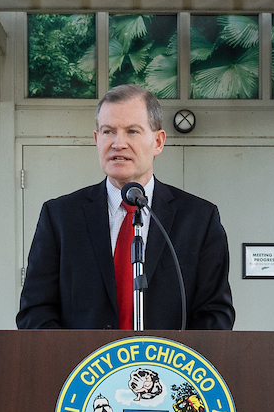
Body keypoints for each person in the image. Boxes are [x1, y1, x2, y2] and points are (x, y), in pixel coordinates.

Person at [18, 84, 234, 330]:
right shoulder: (60, 217)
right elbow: (35, 311)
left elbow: (215, 315)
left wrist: (175, 366)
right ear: (97, 139)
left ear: (158, 142)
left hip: (166, 367)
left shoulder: (199, 219)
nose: (118, 143)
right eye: (109, 131)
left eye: (132, 131)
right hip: (82, 367)